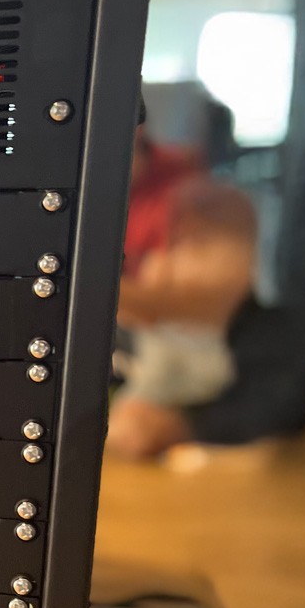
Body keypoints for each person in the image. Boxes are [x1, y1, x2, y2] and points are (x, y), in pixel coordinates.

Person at [105, 108, 260, 460]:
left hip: (195, 355)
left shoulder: (202, 201)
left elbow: (203, 308)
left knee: (133, 432)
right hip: (131, 347)